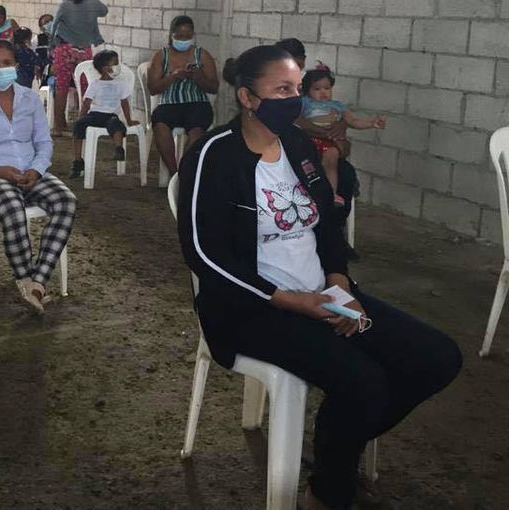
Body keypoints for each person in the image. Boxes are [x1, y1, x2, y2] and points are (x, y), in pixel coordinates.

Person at [176, 44, 461, 510]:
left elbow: (326, 223)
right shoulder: (212, 155)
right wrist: (289, 300)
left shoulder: (297, 144)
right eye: (282, 90)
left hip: (322, 293)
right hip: (252, 310)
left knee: (436, 358)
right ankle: (328, 493)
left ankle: (332, 454)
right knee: (364, 382)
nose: (295, 99)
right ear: (247, 97)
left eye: (297, 87)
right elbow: (203, 253)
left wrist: (339, 283)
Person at [0, 39, 77, 313]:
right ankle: (25, 279)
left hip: (29, 171)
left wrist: (36, 169)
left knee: (65, 201)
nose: (1, 68)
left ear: (16, 66)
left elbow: (44, 142)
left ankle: (39, 281)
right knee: (12, 206)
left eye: (6, 63)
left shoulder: (30, 99)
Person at [275, 39, 360, 254]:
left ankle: (332, 233)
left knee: (346, 174)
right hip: (289, 150)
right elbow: (293, 120)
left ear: (303, 62)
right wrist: (326, 133)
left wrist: (341, 128)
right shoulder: (274, 87)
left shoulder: (309, 86)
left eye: (297, 63)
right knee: (306, 178)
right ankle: (312, 233)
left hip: (320, 148)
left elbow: (338, 116)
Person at [300, 63, 385, 207]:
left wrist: (371, 123)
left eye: (327, 88)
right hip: (308, 140)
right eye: (317, 89)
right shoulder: (304, 102)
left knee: (332, 157)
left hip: (329, 141)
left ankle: (331, 193)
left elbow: (353, 121)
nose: (323, 92)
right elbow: (296, 119)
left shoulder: (337, 106)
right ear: (308, 90)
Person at [146, 15, 218, 178]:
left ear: (193, 35)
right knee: (160, 127)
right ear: (172, 35)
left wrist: (198, 77)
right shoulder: (161, 55)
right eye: (179, 36)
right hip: (168, 104)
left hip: (197, 104)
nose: (184, 40)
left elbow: (214, 87)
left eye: (188, 36)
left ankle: (186, 172)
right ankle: (175, 174)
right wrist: (172, 77)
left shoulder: (202, 55)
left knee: (196, 131)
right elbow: (153, 88)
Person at [49, 0, 108, 135]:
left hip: (64, 50)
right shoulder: (92, 5)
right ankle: (84, 124)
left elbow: (54, 27)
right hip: (84, 50)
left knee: (61, 86)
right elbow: (104, 11)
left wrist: (51, 46)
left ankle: (59, 126)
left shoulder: (65, 6)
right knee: (85, 86)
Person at [70, 49, 139, 179]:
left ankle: (119, 149)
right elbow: (87, 103)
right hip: (94, 115)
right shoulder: (95, 84)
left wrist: (129, 120)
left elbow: (124, 102)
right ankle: (78, 160)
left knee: (116, 125)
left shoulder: (120, 83)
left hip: (111, 115)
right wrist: (81, 117)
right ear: (105, 68)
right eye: (115, 63)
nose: (118, 66)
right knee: (78, 126)